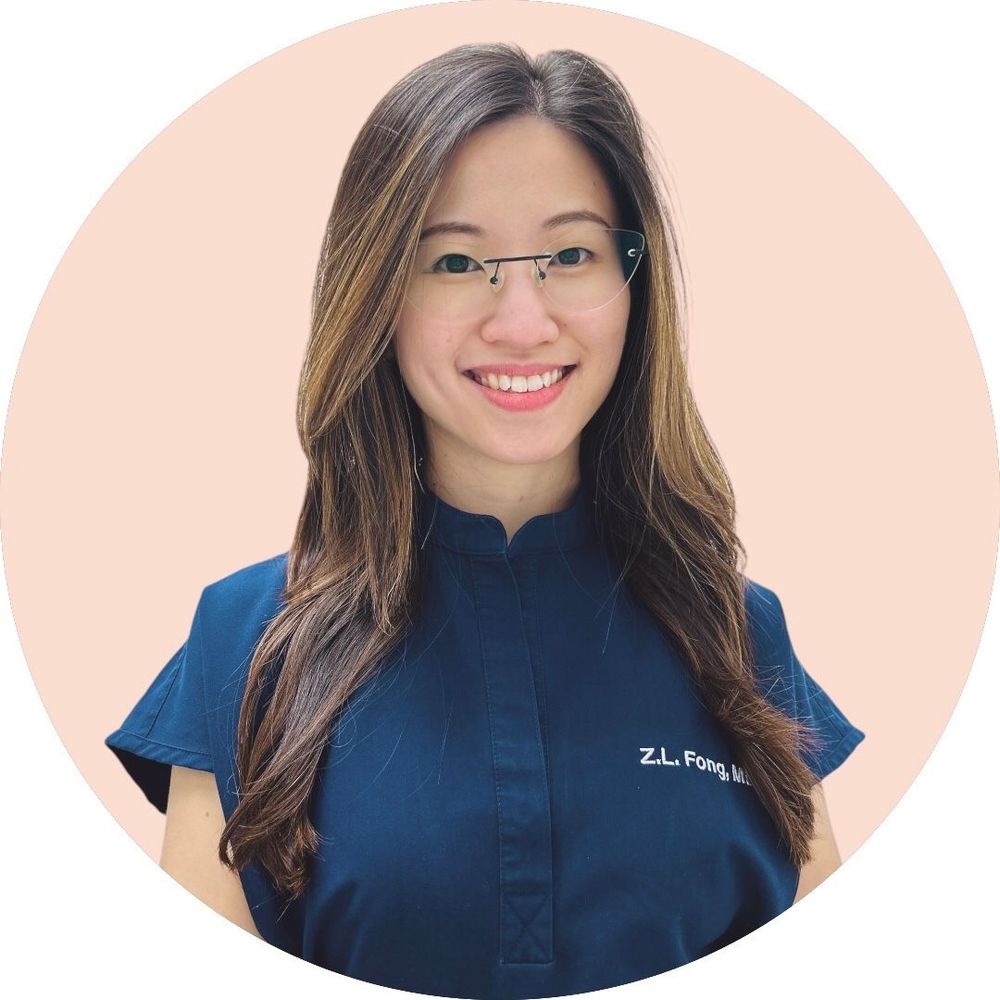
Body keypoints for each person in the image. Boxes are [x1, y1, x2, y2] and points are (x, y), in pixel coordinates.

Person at [105, 42, 864, 998]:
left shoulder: (741, 636)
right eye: (456, 261)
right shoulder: (245, 643)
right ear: (379, 293)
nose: (522, 320)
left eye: (573, 255)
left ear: (635, 285)